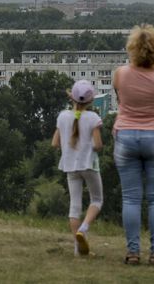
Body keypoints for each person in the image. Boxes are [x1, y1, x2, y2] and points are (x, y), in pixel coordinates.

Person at [112, 24, 154, 266]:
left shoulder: (120, 74)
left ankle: (132, 251)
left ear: (132, 49)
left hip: (126, 137)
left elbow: (120, 97)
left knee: (131, 199)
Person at [52, 79, 103, 256]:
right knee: (96, 200)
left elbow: (54, 143)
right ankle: (84, 227)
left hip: (70, 166)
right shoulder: (94, 118)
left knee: (75, 206)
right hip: (89, 164)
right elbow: (97, 145)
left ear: (71, 98)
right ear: (90, 101)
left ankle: (77, 249)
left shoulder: (62, 116)